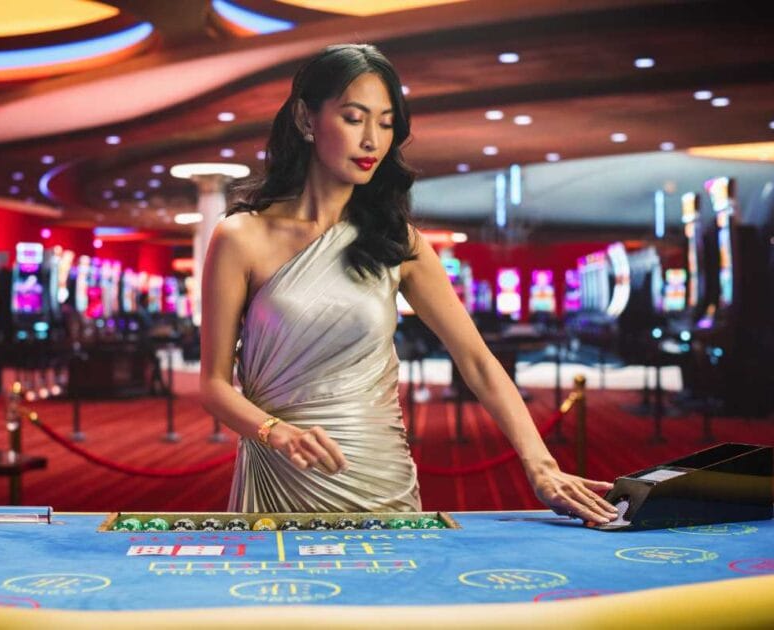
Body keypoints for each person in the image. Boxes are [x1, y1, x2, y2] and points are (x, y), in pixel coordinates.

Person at [199, 44, 617, 524]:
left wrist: (542, 467)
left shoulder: (400, 243)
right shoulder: (241, 237)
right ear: (306, 120)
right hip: (278, 475)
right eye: (354, 118)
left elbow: (478, 361)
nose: (372, 140)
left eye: (385, 122)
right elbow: (213, 386)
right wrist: (275, 431)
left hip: (377, 476)